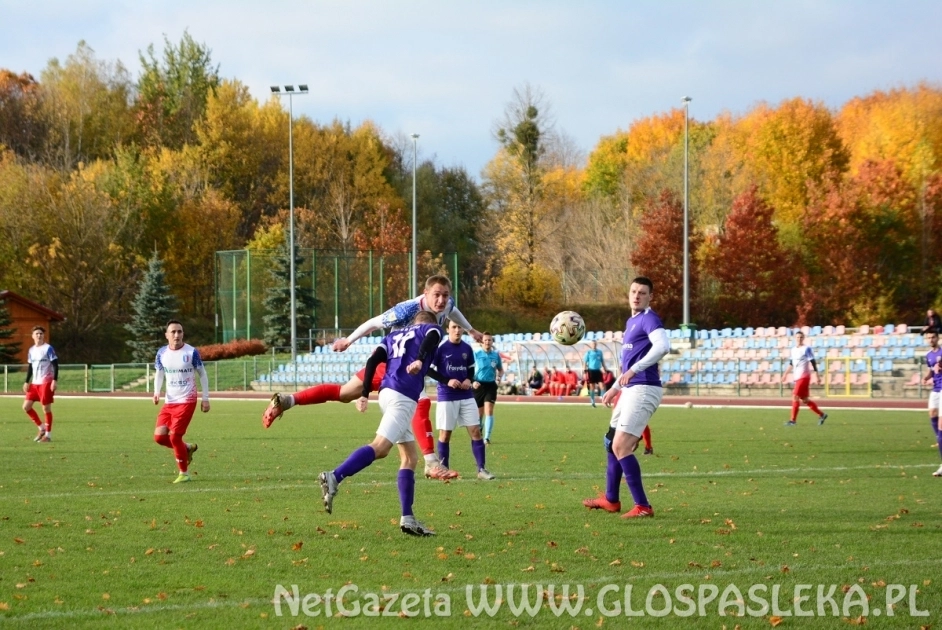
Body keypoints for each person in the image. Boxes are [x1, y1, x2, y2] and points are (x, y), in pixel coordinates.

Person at [263, 275, 482, 480]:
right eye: (437, 295)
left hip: (397, 368)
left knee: (345, 394)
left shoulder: (447, 304)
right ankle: (432, 462)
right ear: (425, 293)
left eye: (445, 295)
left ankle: (288, 400)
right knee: (420, 402)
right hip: (396, 368)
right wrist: (348, 340)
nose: (442, 300)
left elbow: (454, 311)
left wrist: (471, 330)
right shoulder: (408, 309)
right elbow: (374, 323)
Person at [318, 311, 442, 536]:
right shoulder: (430, 328)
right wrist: (420, 358)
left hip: (386, 392)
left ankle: (408, 518)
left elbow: (373, 361)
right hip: (403, 395)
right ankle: (334, 476)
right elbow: (432, 336)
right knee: (381, 447)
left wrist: (364, 393)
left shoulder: (393, 336)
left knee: (410, 458)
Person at [582, 277, 669, 519]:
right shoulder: (632, 321)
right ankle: (611, 500)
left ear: (650, 297)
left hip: (644, 388)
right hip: (630, 389)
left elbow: (663, 346)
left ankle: (643, 506)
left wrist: (634, 371)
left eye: (642, 292)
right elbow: (629, 364)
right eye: (633, 291)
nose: (637, 296)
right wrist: (615, 387)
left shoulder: (649, 318)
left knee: (621, 446)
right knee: (611, 441)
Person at [432, 319, 494, 480]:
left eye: (459, 327)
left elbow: (471, 369)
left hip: (466, 395)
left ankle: (481, 469)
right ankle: (444, 469)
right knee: (445, 434)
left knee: (476, 431)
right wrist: (447, 381)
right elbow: (429, 370)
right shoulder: (441, 348)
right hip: (447, 396)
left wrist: (468, 379)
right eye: (454, 327)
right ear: (448, 329)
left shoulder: (467, 348)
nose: (457, 330)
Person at [153, 320, 210, 484]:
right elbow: (159, 373)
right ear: (167, 335)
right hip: (169, 401)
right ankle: (186, 448)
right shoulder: (162, 353)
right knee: (159, 437)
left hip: (187, 400)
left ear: (183, 334)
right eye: (173, 332)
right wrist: (156, 392)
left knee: (175, 437)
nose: (176, 335)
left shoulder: (191, 352)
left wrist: (205, 398)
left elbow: (203, 374)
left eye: (179, 331)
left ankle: (184, 473)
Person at [782, 331, 828, 426]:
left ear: (803, 338)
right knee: (805, 400)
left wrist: (817, 375)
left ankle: (793, 421)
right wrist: (785, 374)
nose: (799, 339)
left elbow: (813, 362)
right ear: (795, 338)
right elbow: (791, 363)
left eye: (801, 337)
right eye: (798, 337)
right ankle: (822, 415)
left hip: (804, 377)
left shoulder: (806, 349)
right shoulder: (793, 349)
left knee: (795, 396)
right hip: (797, 377)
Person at [23, 326, 58, 442]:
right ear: (33, 336)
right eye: (37, 333)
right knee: (26, 407)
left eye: (41, 333)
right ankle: (41, 428)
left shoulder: (48, 348)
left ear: (43, 336)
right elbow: (30, 367)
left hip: (46, 382)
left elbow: (55, 365)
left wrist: (54, 380)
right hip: (34, 383)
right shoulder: (31, 350)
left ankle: (48, 435)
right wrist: (26, 381)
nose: (39, 335)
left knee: (46, 408)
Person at [472, 332, 503, 445]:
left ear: (492, 342)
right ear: (482, 342)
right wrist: (473, 381)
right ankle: (479, 429)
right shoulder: (476, 354)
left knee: (489, 411)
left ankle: (487, 437)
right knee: (479, 414)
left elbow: (500, 369)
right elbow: (469, 369)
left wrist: (499, 377)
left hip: (490, 385)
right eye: (485, 340)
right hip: (478, 385)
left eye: (489, 340)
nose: (487, 342)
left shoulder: (496, 355)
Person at [921, 332, 942, 477]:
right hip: (935, 389)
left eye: (933, 337)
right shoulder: (928, 355)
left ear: (937, 338)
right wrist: (926, 377)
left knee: (941, 425)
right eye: (928, 337)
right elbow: (931, 370)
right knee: (932, 414)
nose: (931, 339)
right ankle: (940, 438)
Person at [584, 340, 606, 406]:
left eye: (595, 344)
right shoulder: (588, 352)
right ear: (591, 345)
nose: (594, 345)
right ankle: (592, 401)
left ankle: (603, 400)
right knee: (592, 387)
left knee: (602, 386)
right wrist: (585, 372)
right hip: (591, 371)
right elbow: (585, 362)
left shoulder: (599, 352)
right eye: (592, 344)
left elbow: (602, 361)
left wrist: (605, 369)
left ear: (596, 344)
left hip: (598, 370)